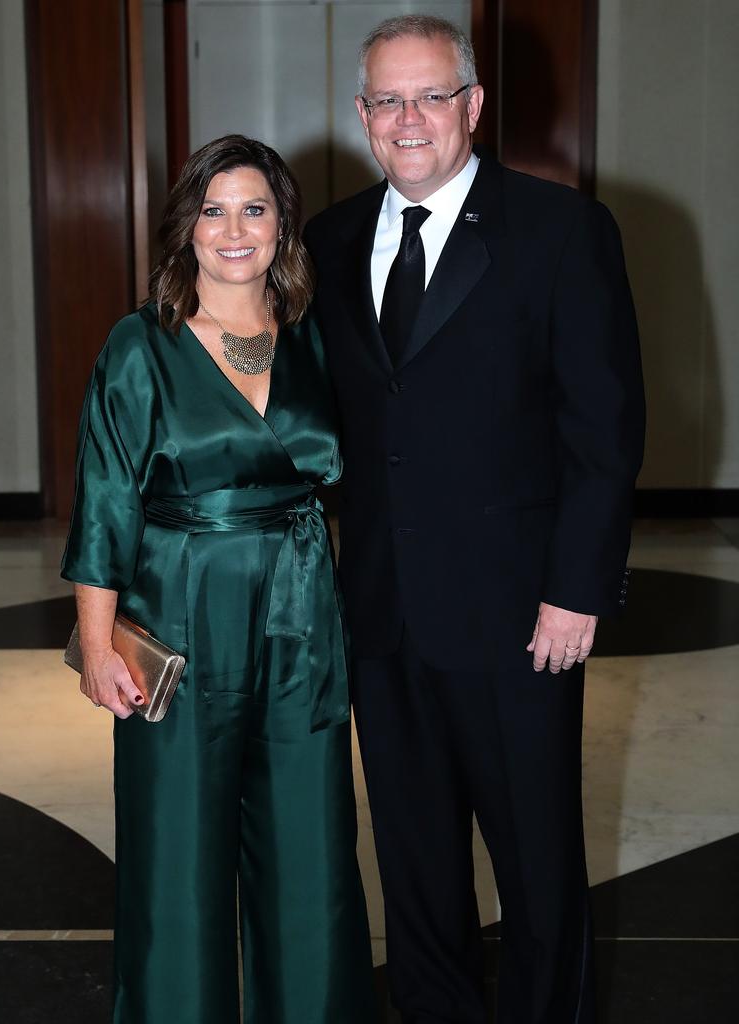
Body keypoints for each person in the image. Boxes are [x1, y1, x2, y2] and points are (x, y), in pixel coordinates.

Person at [304, 14, 645, 1024]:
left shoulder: (560, 231)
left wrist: (575, 590)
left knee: (538, 871)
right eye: (386, 100)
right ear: (363, 113)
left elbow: (605, 431)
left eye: (430, 96)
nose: (409, 120)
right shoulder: (327, 240)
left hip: (517, 617)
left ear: (473, 106)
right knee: (413, 872)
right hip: (380, 615)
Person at [61, 134, 375, 1024]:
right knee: (177, 854)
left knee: (309, 848)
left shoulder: (317, 338)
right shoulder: (141, 346)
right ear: (185, 228)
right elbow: (105, 502)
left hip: (301, 614)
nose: (233, 230)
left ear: (284, 227)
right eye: (212, 209)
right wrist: (95, 642)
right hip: (180, 609)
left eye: (255, 209)